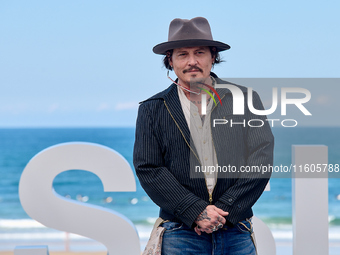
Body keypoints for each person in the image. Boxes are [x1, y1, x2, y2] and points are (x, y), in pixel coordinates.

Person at [133, 17, 274, 255]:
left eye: (199, 52)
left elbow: (261, 160)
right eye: (182, 54)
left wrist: (224, 210)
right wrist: (195, 211)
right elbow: (149, 168)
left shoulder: (246, 99)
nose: (192, 62)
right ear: (170, 60)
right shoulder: (152, 108)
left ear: (213, 56)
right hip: (180, 232)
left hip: (236, 231)